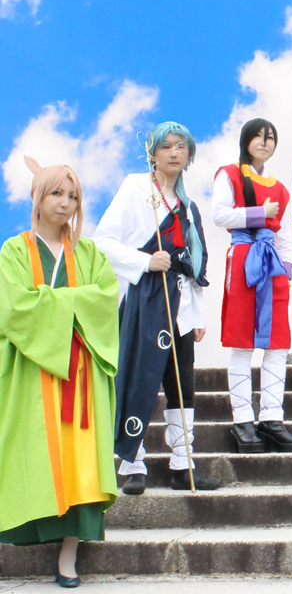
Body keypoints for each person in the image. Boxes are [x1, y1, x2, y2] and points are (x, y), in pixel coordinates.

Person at [0, 158, 119, 587]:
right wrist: (72, 302)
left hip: (81, 374)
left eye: (73, 196)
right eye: (56, 193)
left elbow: (106, 299)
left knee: (80, 459)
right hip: (34, 372)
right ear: (36, 195)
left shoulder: (88, 253)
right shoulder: (14, 252)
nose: (65, 203)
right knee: (36, 452)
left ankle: (70, 553)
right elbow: (14, 307)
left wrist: (51, 302)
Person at [93, 121, 221, 494]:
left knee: (182, 385)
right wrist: (145, 261)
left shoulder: (188, 206)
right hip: (146, 298)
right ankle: (132, 464)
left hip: (182, 305)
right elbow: (102, 242)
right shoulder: (135, 188)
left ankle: (184, 464)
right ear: (152, 153)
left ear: (189, 153)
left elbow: (194, 265)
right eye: (166, 146)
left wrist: (198, 315)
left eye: (181, 146)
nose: (174, 152)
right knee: (139, 377)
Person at [212, 118, 292, 453]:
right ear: (246, 140)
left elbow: (284, 233)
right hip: (243, 259)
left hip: (272, 267)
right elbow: (219, 215)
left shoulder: (280, 188)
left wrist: (286, 271)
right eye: (259, 136)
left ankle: (272, 419)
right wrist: (258, 213)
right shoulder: (229, 174)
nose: (265, 142)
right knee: (242, 344)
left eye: (270, 138)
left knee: (277, 345)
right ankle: (242, 421)